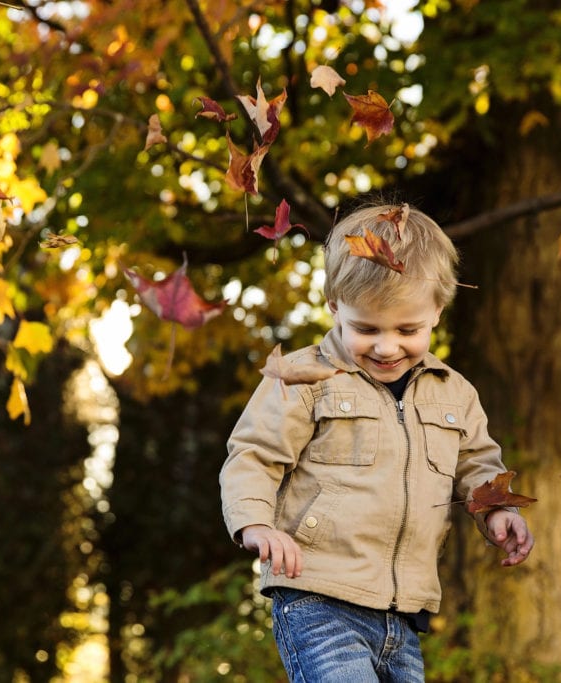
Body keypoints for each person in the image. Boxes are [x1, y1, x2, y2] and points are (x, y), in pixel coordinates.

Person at [219, 203, 534, 682]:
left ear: (437, 312)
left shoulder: (455, 392)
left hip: (404, 611)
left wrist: (497, 509)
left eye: (408, 330)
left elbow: (477, 463)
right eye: (366, 329)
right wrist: (255, 523)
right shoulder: (306, 378)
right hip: (318, 594)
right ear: (334, 307)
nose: (387, 347)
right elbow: (254, 454)